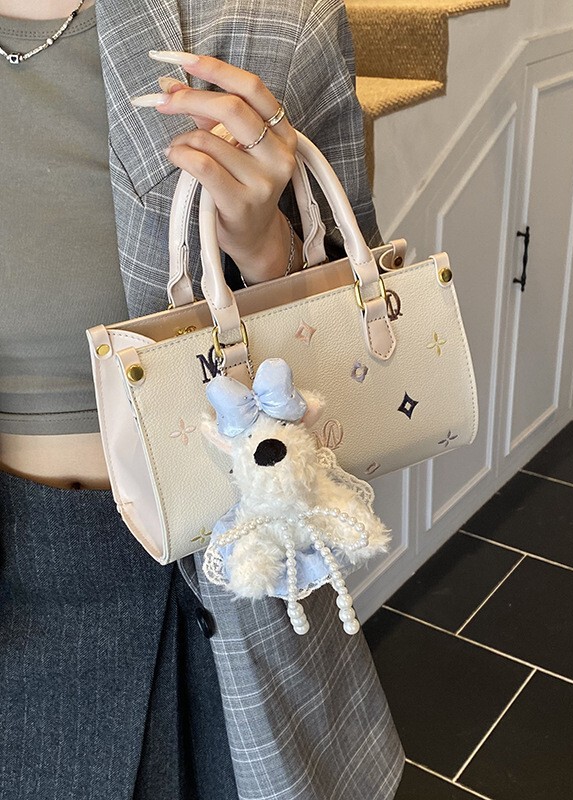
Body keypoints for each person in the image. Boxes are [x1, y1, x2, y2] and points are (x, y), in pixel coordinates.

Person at [0, 1, 405, 798]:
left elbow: (359, 326)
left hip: (223, 554)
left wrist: (265, 250)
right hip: (23, 569)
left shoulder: (268, 19)